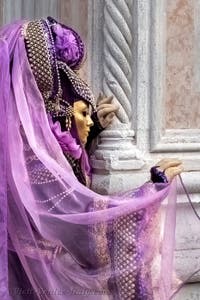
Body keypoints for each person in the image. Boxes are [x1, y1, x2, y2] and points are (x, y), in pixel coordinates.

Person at [0, 17, 184, 300]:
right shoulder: (37, 166)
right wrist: (150, 191)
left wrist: (91, 126)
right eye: (82, 114)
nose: (88, 121)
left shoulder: (17, 149)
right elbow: (88, 224)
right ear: (58, 117)